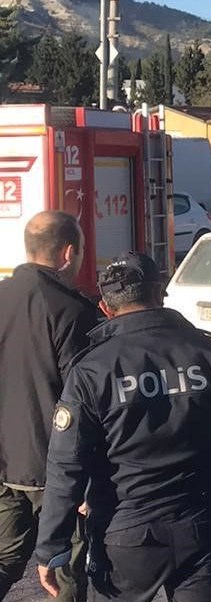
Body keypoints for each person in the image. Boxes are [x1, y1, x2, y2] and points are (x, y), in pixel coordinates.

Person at [35, 252, 211, 602]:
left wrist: (52, 546)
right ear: (160, 295)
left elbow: (67, 466)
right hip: (201, 524)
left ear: (106, 309)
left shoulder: (92, 369)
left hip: (125, 533)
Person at [0, 211, 95, 601]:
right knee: (67, 567)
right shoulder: (73, 312)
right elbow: (86, 401)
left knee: (5, 556)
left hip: (5, 465)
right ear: (69, 253)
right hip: (58, 469)